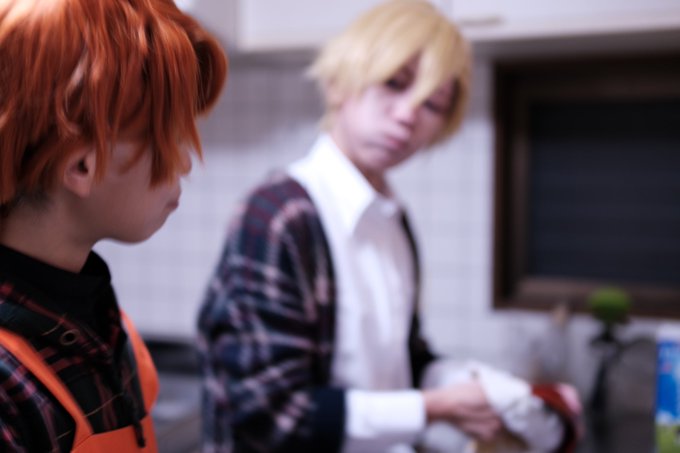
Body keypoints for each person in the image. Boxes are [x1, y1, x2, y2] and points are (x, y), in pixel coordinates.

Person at [197, 1, 579, 452]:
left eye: (433, 104)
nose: (408, 114)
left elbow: (401, 361)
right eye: (395, 83)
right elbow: (270, 413)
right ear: (340, 83)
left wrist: (480, 388)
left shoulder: (394, 222)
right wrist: (433, 408)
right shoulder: (279, 215)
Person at [0, 0, 227, 451]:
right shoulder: (8, 384)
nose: (185, 163)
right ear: (82, 165)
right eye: (169, 135)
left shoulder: (101, 321)